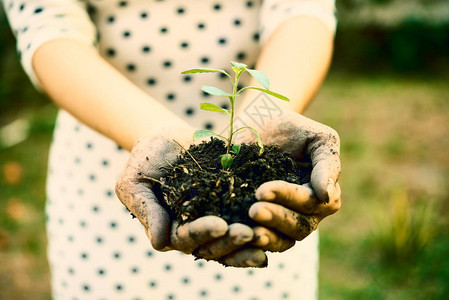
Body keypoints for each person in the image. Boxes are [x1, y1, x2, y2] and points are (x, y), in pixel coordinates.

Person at [3, 0, 341, 299]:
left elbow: (302, 11)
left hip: (264, 185)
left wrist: (253, 125)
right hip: (109, 179)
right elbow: (48, 28)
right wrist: (157, 139)